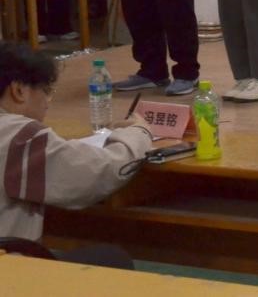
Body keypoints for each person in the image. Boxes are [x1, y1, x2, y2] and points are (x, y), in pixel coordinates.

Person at [0, 42, 152, 268]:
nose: (48, 101)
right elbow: (102, 171)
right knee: (111, 258)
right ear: (19, 90)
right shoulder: (20, 136)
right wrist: (139, 133)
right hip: (12, 272)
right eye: (46, 91)